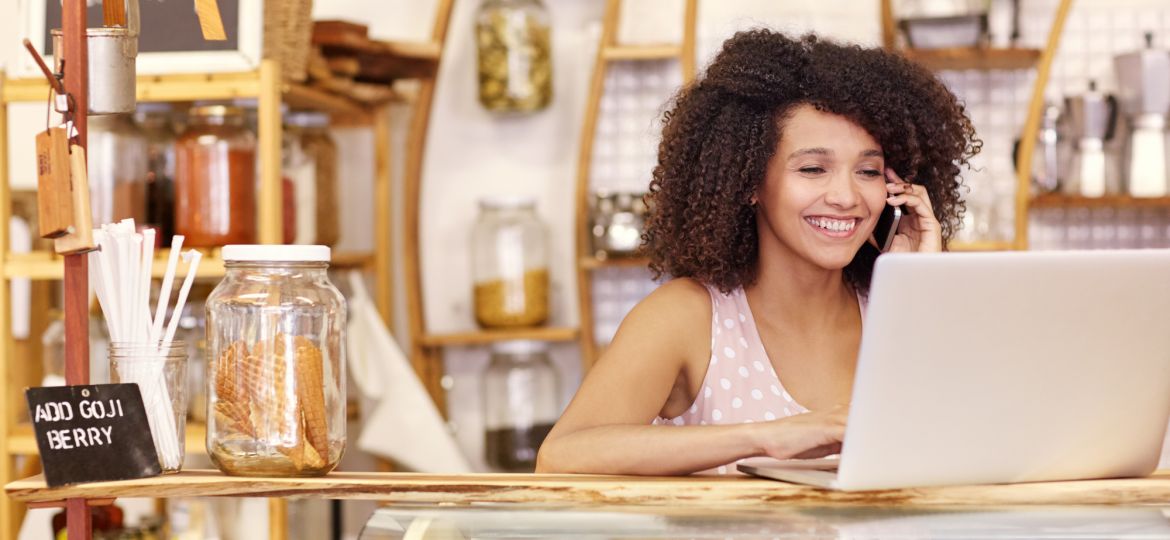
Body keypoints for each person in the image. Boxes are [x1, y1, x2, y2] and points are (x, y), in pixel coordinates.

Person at [536, 29, 979, 475]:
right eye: (812, 168)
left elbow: (968, 456)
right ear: (749, 181)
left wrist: (919, 293)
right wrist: (768, 437)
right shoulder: (687, 317)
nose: (847, 196)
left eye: (868, 171)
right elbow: (560, 457)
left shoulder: (896, 315)